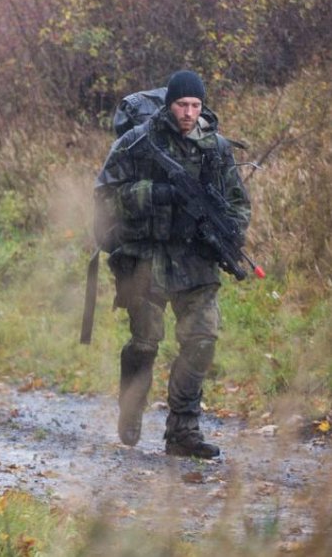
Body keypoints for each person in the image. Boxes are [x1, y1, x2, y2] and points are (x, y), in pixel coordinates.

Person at [94, 70, 251, 458]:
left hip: (196, 260)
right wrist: (156, 194)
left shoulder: (215, 148)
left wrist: (227, 231)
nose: (188, 113)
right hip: (145, 258)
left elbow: (238, 203)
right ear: (170, 104)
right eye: (182, 104)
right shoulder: (137, 143)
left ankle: (183, 431)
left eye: (196, 106)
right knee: (146, 342)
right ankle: (131, 406)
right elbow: (104, 197)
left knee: (201, 341)